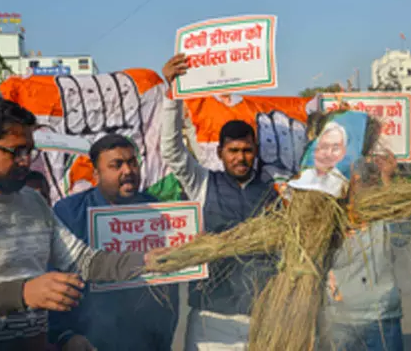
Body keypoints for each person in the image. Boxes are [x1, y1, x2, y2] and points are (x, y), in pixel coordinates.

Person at [0, 99, 162, 351]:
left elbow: (85, 262)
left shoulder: (34, 202)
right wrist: (23, 293)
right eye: (16, 152)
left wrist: (146, 261)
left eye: (30, 151)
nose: (26, 161)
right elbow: (25, 293)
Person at [161, 55, 278, 350]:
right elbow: (172, 150)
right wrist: (172, 94)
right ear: (221, 151)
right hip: (210, 320)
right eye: (233, 150)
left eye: (247, 150)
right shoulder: (203, 183)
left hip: (261, 318)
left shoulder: (271, 193)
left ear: (256, 151)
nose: (241, 157)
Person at [48, 134, 180, 350]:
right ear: (96, 174)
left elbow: (170, 282)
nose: (128, 171)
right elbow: (54, 277)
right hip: (90, 340)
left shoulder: (158, 210)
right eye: (116, 165)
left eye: (132, 162)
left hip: (148, 338)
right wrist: (64, 335)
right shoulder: (69, 213)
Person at [322, 149, 408, 351]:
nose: (364, 186)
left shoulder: (384, 213)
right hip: (340, 319)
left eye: (371, 180)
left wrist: (389, 179)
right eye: (359, 180)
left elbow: (402, 236)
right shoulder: (331, 218)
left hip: (382, 316)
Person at [289, 121, 349, 197]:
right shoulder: (301, 176)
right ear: (316, 148)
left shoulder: (343, 185)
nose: (328, 153)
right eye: (324, 146)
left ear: (342, 153)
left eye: (335, 148)